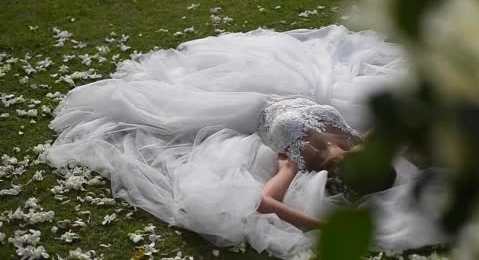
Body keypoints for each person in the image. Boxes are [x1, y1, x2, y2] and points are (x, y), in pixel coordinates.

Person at [46, 25, 445, 259]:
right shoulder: (361, 138)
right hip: (295, 84)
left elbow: (265, 202)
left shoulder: (297, 161)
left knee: (158, 106)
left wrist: (320, 225)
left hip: (252, 105)